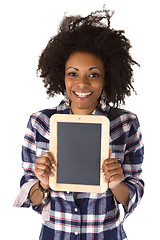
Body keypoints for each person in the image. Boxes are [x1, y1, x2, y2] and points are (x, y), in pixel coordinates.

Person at [14, 9, 144, 240]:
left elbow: (132, 195)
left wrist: (116, 183)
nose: (82, 83)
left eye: (93, 75)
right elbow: (31, 196)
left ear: (107, 77)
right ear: (61, 76)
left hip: (107, 234)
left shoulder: (125, 123)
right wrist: (43, 183)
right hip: (55, 235)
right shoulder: (40, 123)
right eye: (73, 73)